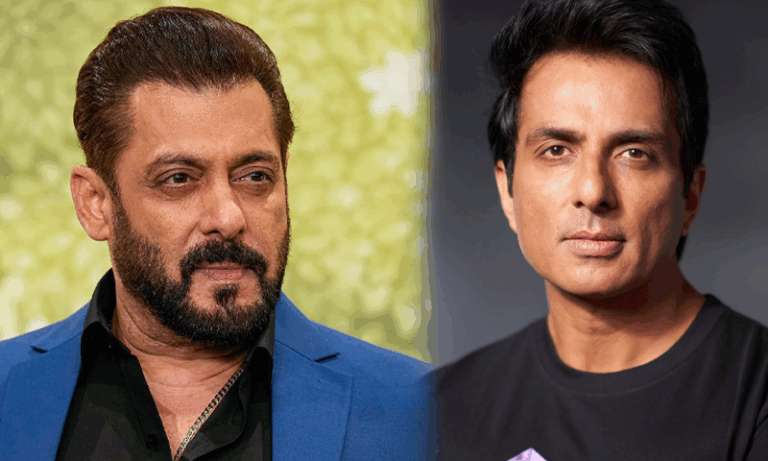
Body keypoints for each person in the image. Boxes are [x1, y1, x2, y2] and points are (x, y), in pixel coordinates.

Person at [0, 7, 429, 461]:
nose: (228, 217)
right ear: (95, 203)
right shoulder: (10, 391)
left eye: (255, 177)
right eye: (179, 179)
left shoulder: (420, 413)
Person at [436, 0, 768, 460]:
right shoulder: (439, 408)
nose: (593, 192)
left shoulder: (755, 394)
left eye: (634, 153)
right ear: (507, 191)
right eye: (556, 150)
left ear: (690, 194)